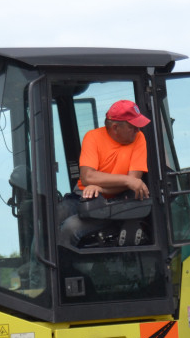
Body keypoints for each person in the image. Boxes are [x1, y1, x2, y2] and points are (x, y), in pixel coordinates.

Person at [59, 99, 151, 246]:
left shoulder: (139, 139)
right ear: (115, 127)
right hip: (84, 195)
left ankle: (64, 267)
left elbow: (135, 182)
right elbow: (88, 176)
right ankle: (37, 268)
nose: (138, 130)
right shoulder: (93, 137)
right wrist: (127, 180)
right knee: (51, 218)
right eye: (133, 126)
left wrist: (100, 188)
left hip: (117, 203)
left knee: (70, 228)